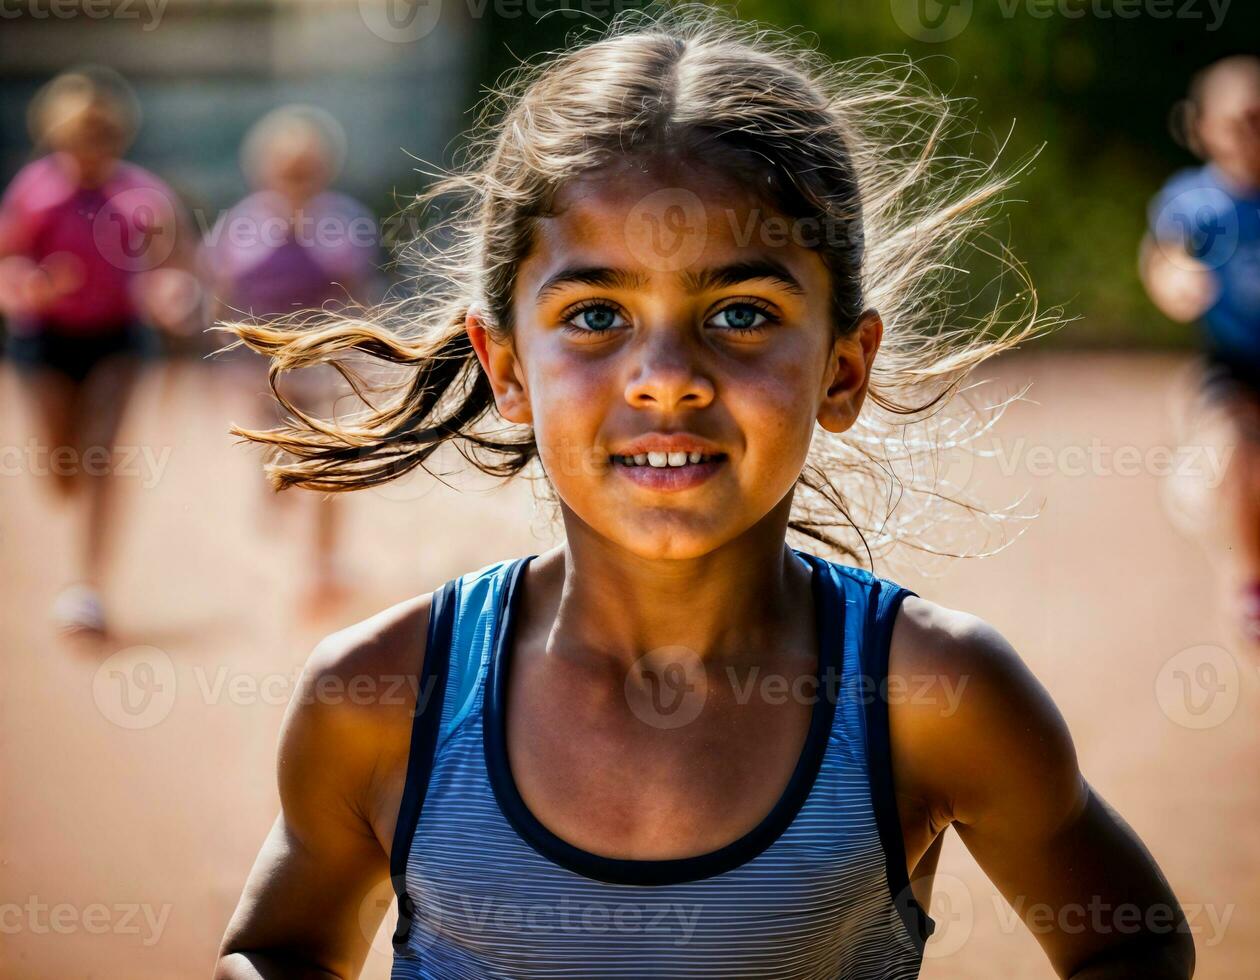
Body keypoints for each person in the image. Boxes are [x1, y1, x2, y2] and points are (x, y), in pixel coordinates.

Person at [215, 10, 1194, 979]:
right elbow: (276, 948)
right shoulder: (383, 695)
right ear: (506, 368)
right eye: (596, 313)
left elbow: (1131, 941)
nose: (667, 375)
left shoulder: (931, 695)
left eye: (740, 312)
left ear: (843, 369)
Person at [0, 66, 199, 636]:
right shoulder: (35, 193)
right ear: (57, 137)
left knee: (100, 458)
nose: (93, 150)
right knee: (61, 469)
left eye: (104, 137)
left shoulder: (140, 194)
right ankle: (73, 523)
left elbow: (177, 262)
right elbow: (9, 262)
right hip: (44, 340)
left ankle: (86, 588)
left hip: (117, 339)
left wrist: (173, 295)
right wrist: (32, 286)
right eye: (80, 138)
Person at [200, 105, 382, 617]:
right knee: (279, 455)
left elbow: (360, 295)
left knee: (329, 460)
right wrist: (220, 363)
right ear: (264, 169)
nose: (298, 179)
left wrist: (365, 357)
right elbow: (220, 299)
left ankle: (321, 569)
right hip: (261, 367)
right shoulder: (243, 225)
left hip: (323, 360)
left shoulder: (342, 222)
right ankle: (274, 484)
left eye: (307, 168)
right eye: (287, 169)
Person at [1141, 55, 1260, 646]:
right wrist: (1174, 279)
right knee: (1236, 445)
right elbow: (1163, 254)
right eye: (1244, 122)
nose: (1254, 136)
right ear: (1207, 129)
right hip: (1233, 362)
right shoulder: (1197, 202)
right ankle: (1250, 585)